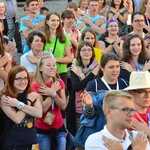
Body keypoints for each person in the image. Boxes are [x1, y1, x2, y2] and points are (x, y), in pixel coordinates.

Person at [85, 90, 150, 150]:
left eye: (132, 110)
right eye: (125, 109)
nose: (131, 114)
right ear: (108, 111)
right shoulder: (95, 141)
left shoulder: (139, 138)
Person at [0, 66, 42, 150]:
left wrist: (18, 104)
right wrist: (28, 101)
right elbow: (17, 118)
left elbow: (39, 113)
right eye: (18, 78)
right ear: (11, 80)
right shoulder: (5, 97)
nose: (23, 81)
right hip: (12, 143)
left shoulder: (32, 94)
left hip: (31, 141)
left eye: (25, 78)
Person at [31, 56, 67, 150]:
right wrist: (52, 92)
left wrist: (52, 93)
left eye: (54, 65)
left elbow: (63, 106)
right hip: (42, 128)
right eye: (48, 65)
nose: (52, 67)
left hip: (59, 127)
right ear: (41, 68)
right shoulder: (35, 85)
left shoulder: (59, 82)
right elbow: (42, 109)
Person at [67, 41, 99, 136]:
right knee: (78, 139)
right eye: (83, 50)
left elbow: (93, 88)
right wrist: (92, 74)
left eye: (89, 49)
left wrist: (81, 75)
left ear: (93, 52)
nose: (86, 52)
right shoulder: (74, 67)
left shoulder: (98, 67)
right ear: (79, 53)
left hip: (93, 108)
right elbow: (77, 87)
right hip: (78, 109)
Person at [44, 11, 72, 87]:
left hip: (61, 70)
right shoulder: (42, 37)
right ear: (47, 22)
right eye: (53, 20)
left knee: (62, 94)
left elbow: (69, 58)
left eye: (57, 20)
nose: (55, 22)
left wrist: (55, 59)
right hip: (46, 71)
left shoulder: (63, 36)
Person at [124, 71, 150, 138]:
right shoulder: (126, 118)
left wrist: (147, 131)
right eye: (142, 91)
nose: (147, 95)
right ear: (131, 92)